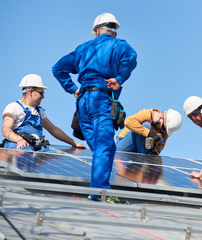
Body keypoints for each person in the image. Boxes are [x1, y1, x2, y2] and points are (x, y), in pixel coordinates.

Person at [52, 13, 137, 203]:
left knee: (103, 147)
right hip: (101, 99)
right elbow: (131, 58)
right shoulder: (118, 45)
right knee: (104, 146)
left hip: (82, 103)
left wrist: (73, 88)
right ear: (114, 32)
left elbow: (57, 68)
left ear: (97, 31)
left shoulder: (83, 49)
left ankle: (99, 191)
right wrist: (119, 78)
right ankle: (99, 193)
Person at [0, 74, 86, 152]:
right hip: (18, 146)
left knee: (51, 156)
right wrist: (19, 140)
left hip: (35, 147)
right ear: (30, 92)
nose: (43, 96)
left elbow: (53, 129)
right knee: (25, 155)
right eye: (41, 93)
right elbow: (5, 130)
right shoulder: (14, 107)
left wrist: (74, 143)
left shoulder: (39, 112)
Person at [116, 108, 182, 155]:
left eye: (165, 130)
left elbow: (161, 145)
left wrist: (155, 152)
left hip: (142, 152)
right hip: (125, 147)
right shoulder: (147, 114)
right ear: (161, 118)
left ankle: (144, 160)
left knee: (160, 137)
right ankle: (143, 159)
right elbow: (128, 122)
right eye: (163, 128)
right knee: (146, 125)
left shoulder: (165, 130)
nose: (162, 130)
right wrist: (150, 134)